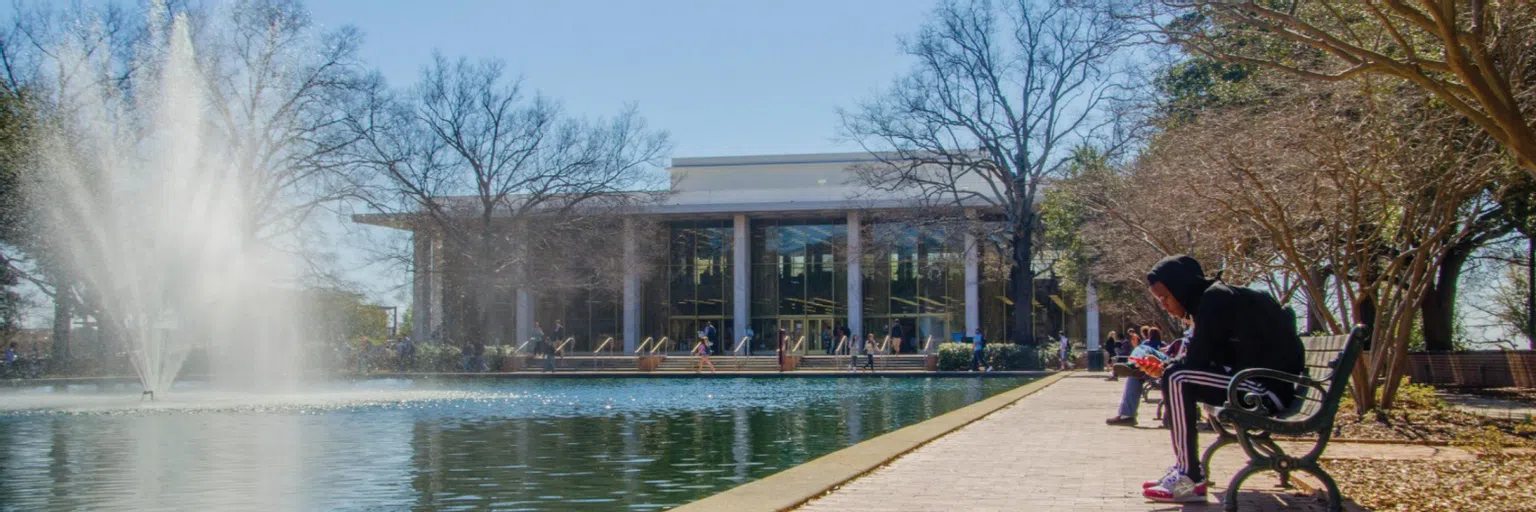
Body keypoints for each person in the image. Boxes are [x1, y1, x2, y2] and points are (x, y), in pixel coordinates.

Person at [1137, 254, 1305, 503]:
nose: (1164, 305)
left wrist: (1168, 370)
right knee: (1175, 376)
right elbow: (1202, 361)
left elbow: (1196, 362)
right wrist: (1166, 369)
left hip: (1264, 391)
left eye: (1165, 296)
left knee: (1177, 378)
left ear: (1181, 288)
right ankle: (1187, 470)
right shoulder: (1214, 299)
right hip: (1255, 383)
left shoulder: (1215, 300)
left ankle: (1189, 476)